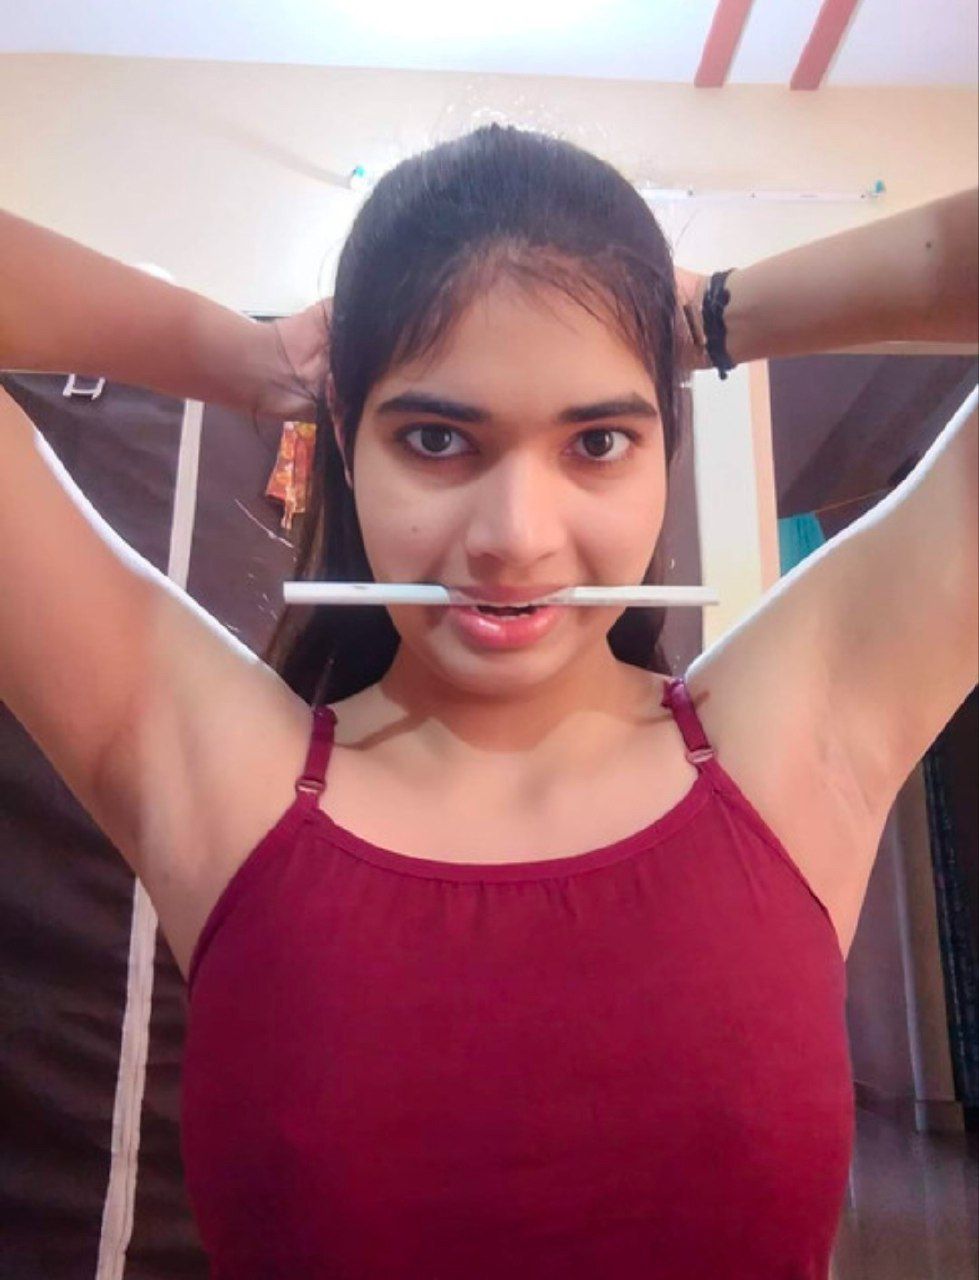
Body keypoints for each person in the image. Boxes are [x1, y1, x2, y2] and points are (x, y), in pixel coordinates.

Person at [0, 124, 975, 1278]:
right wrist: (253, 361)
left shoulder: (796, 747)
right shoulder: (211, 774)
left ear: (663, 446)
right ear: (347, 444)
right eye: (436, 438)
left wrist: (717, 315)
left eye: (597, 439)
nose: (515, 536)